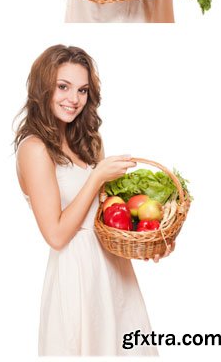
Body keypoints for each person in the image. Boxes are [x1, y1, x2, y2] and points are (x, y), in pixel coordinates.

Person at [15, 44, 166, 356]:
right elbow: (55, 235)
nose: (74, 99)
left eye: (82, 90)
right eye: (63, 86)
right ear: (42, 87)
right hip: (78, 275)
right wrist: (97, 177)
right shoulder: (34, 148)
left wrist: (151, 236)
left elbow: (106, 216)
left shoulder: (87, 143)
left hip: (115, 271)